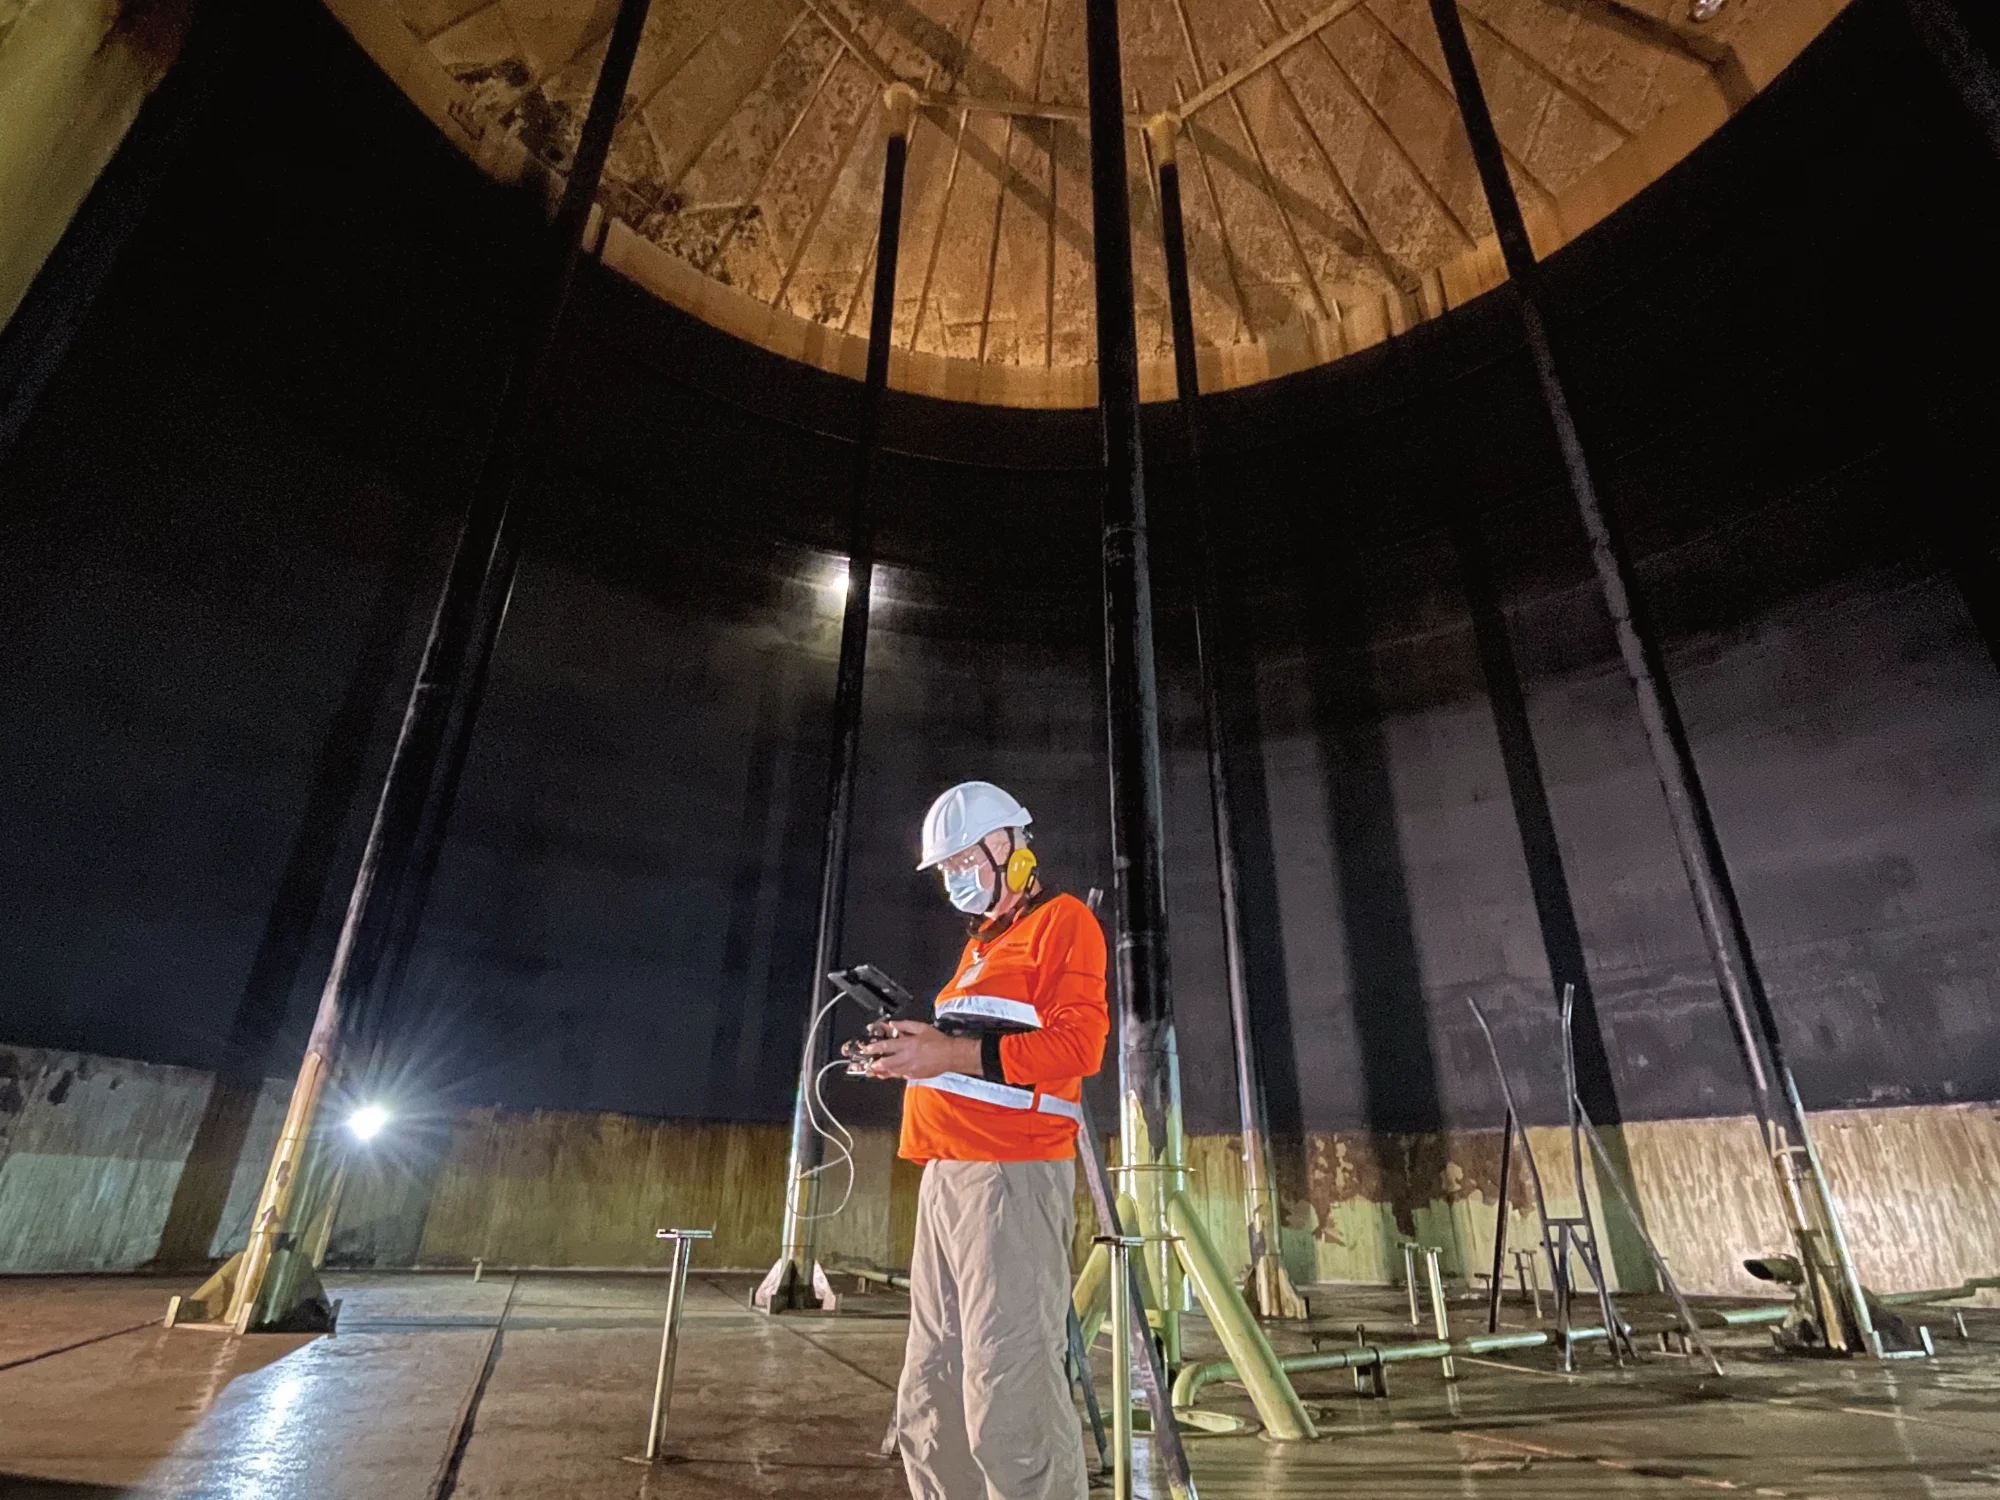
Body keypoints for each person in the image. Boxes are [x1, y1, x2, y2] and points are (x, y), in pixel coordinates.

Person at [855, 780, 1106, 1500]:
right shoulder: (980, 946)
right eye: (946, 867)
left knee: (1008, 1388)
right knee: (931, 1391)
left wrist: (946, 1053)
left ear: (1008, 846)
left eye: (964, 859)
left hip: (1009, 1177)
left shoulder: (1061, 923)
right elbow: (970, 1052)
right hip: (948, 1176)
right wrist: (912, 1054)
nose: (955, 878)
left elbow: (1079, 1046)